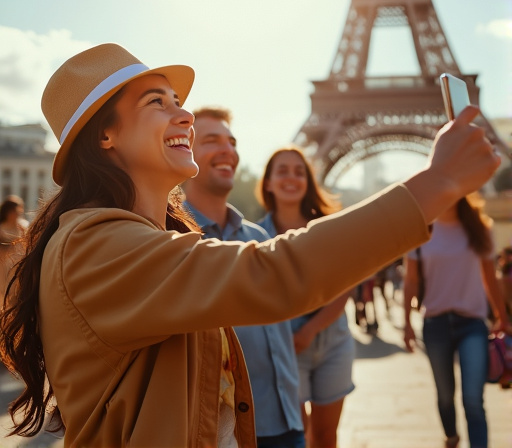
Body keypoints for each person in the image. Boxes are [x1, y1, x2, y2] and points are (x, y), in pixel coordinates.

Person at [0, 43, 500, 447]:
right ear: (104, 135)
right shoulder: (96, 245)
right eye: (157, 102)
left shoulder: (137, 241)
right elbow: (273, 273)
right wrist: (437, 184)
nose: (185, 115)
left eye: (178, 101)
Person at [182, 106, 305, 448]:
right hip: (224, 433)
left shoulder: (261, 239)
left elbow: (280, 335)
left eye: (232, 141)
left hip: (287, 422)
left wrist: (296, 407)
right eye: (211, 140)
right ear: (184, 153)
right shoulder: (173, 243)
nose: (228, 150)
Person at [257, 147, 355, 448]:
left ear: (308, 183)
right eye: (282, 171)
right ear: (269, 183)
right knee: (297, 434)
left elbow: (346, 284)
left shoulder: (329, 228)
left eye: (299, 172)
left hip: (332, 339)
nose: (291, 177)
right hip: (284, 345)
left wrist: (310, 330)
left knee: (326, 437)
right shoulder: (254, 236)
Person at [403, 196, 511, 448]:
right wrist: (406, 322)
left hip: (472, 324)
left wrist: (501, 317)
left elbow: (489, 277)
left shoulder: (479, 228)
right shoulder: (421, 228)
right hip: (434, 324)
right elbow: (411, 281)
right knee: (444, 396)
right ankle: (451, 437)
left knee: (473, 398)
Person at [0, 195, 27, 309]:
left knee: (16, 294)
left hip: (19, 265)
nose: (16, 214)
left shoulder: (24, 226)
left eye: (18, 211)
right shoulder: (1, 228)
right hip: (3, 266)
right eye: (14, 211)